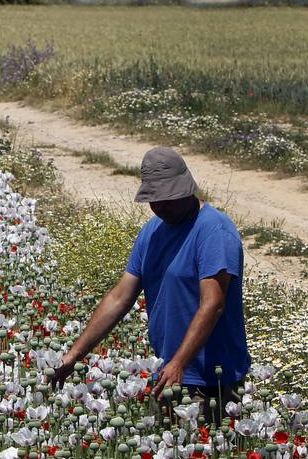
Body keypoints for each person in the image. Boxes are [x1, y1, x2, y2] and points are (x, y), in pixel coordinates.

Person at [50, 147, 249, 422]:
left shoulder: (214, 231)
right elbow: (120, 297)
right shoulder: (153, 231)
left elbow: (213, 304)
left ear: (186, 189)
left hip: (209, 380)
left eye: (167, 198)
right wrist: (74, 354)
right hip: (167, 374)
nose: (160, 206)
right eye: (154, 200)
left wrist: (180, 362)